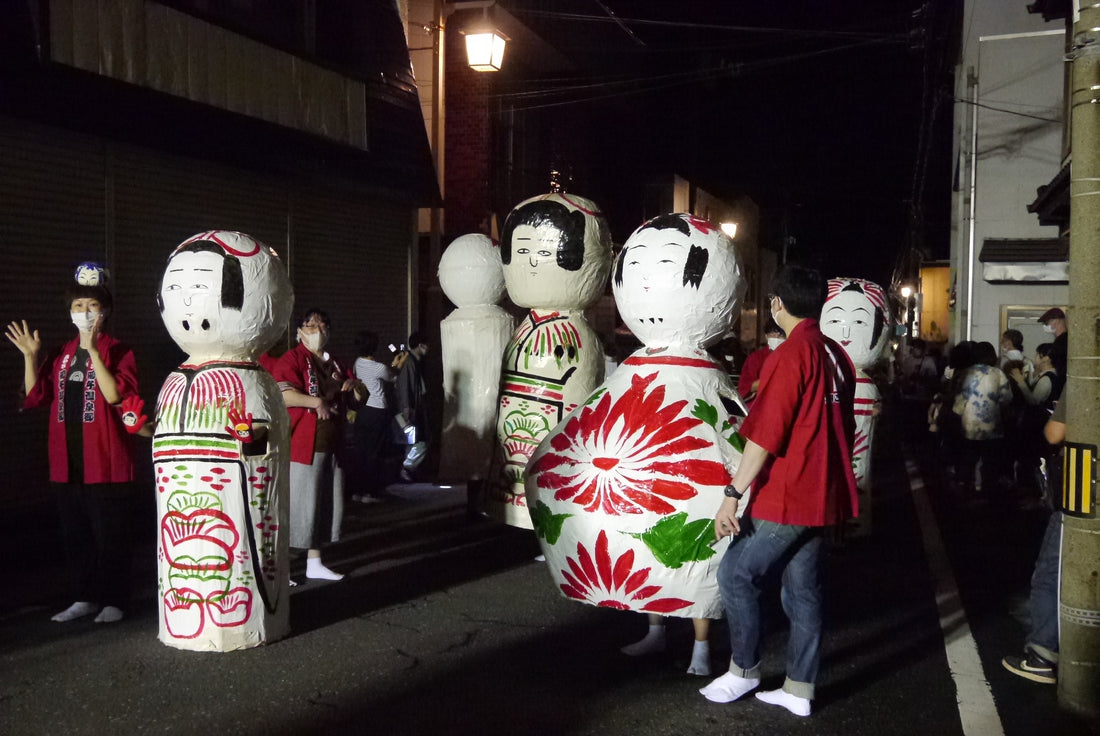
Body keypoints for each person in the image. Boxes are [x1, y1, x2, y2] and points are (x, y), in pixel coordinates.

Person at [701, 265, 858, 718]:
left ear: (776, 304)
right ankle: (799, 687)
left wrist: (732, 493)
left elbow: (766, 435)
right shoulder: (833, 353)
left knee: (735, 574)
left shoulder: (790, 354)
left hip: (789, 492)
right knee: (803, 592)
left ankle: (744, 670)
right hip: (822, 490)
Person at [6, 266, 140, 623]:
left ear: (105, 310)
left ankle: (116, 600)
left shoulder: (119, 350)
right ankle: (85, 596)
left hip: (107, 461)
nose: (84, 312)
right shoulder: (61, 353)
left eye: (91, 304)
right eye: (78, 305)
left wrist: (94, 351)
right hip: (67, 462)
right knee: (76, 534)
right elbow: (36, 397)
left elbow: (115, 396)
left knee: (110, 535)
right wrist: (30, 357)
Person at [274, 309, 359, 581]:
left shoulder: (333, 362)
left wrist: (354, 386)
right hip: (303, 444)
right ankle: (280, 567)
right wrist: (315, 402)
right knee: (298, 507)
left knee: (322, 506)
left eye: (322, 324)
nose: (317, 330)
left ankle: (315, 561)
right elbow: (283, 394)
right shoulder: (293, 358)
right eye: (310, 325)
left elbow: (356, 393)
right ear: (298, 331)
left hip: (331, 443)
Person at [1002, 395, 1065, 684]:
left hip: (1085, 492)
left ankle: (1041, 654)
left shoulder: (1086, 374)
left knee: (1050, 573)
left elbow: (1054, 433)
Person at [952, 342, 1013, 496]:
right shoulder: (998, 373)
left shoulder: (966, 373)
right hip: (992, 424)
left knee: (969, 457)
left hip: (969, 424)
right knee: (989, 459)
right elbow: (1006, 398)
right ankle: (986, 488)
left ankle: (966, 485)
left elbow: (960, 399)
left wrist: (957, 414)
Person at [351, 330, 395, 503]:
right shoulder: (379, 367)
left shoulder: (357, 363)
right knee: (374, 452)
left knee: (361, 451)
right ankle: (370, 492)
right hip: (378, 410)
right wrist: (396, 364)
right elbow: (392, 377)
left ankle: (358, 491)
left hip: (362, 410)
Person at [395, 331, 431, 481]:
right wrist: (406, 410)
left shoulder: (411, 360)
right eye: (427, 345)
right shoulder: (410, 362)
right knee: (419, 442)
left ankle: (407, 471)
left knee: (413, 442)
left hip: (411, 409)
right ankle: (407, 468)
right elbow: (405, 387)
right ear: (420, 345)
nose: (429, 348)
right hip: (410, 410)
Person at [737, 317, 784, 405]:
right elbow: (744, 388)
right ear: (766, 336)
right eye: (772, 333)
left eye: (781, 334)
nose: (777, 336)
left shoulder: (793, 357)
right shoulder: (756, 358)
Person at [1037, 307, 1067, 385]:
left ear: (1056, 321)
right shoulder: (1064, 339)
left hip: (1062, 380)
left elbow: (1048, 359)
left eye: (1046, 323)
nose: (1045, 326)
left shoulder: (1062, 340)